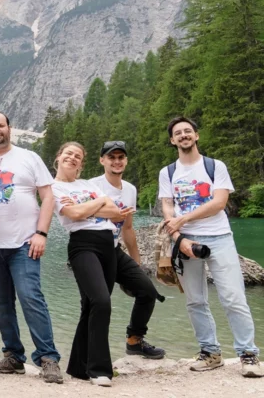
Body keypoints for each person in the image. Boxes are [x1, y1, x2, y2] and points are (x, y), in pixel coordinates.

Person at [159, 117, 261, 377]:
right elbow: (168, 204)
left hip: (219, 237)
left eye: (188, 131)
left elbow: (219, 203)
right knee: (195, 301)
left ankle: (248, 355)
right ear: (172, 140)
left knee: (233, 298)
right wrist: (178, 235)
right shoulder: (168, 172)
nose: (183, 135)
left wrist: (182, 219)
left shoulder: (215, 166)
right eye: (178, 133)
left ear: (196, 136)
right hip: (186, 242)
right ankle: (210, 352)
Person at [0, 111, 63, 383]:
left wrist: (42, 233)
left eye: (1, 125)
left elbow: (48, 196)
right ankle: (13, 356)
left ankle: (48, 358)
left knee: (30, 298)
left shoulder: (29, 157)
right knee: (2, 304)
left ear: (9, 128)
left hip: (25, 243)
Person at [52, 142, 125, 387]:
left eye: (78, 156)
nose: (72, 158)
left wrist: (87, 208)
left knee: (90, 306)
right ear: (58, 158)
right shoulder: (53, 187)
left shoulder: (88, 185)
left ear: (82, 164)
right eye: (68, 154)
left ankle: (78, 367)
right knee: (102, 302)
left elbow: (115, 212)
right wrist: (99, 202)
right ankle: (99, 369)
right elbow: (72, 215)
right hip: (82, 244)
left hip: (108, 244)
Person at [90, 141, 166, 360]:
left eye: (120, 157)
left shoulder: (130, 189)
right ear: (102, 160)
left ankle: (134, 340)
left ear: (126, 161)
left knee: (147, 291)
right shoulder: (92, 186)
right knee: (98, 303)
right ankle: (93, 353)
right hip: (93, 250)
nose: (116, 161)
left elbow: (128, 227)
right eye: (111, 157)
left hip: (114, 250)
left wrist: (136, 261)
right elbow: (79, 216)